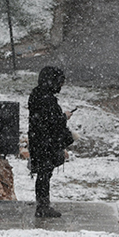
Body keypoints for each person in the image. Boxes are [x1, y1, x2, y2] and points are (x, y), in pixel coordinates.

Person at [28, 66, 75, 218]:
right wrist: (64, 117)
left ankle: (43, 205)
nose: (60, 86)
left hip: (39, 140)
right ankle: (43, 206)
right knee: (44, 173)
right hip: (44, 142)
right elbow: (50, 121)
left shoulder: (37, 94)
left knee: (44, 172)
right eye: (59, 82)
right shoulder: (46, 98)